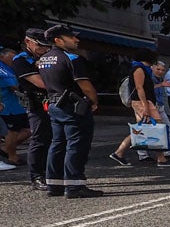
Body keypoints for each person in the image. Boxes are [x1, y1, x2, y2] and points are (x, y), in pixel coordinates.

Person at [36, 25, 103, 198]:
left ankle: (54, 184)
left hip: (54, 104)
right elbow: (85, 85)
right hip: (73, 106)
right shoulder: (72, 58)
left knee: (57, 144)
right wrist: (94, 101)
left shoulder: (44, 59)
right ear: (58, 40)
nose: (76, 40)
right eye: (71, 37)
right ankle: (75, 186)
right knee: (76, 145)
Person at [110, 50, 170, 168]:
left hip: (143, 102)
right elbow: (139, 87)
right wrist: (146, 106)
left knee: (144, 128)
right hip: (143, 102)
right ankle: (161, 158)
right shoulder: (139, 69)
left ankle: (119, 153)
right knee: (157, 127)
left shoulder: (141, 68)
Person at [14, 29, 52, 190]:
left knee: (56, 139)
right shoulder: (21, 60)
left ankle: (53, 174)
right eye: (41, 46)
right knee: (40, 139)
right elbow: (42, 83)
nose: (45, 50)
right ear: (28, 42)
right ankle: (37, 175)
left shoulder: (46, 57)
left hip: (54, 102)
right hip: (37, 103)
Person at [0, 47, 28, 171]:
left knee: (29, 129)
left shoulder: (11, 68)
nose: (13, 60)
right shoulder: (2, 69)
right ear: (2, 57)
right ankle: (12, 156)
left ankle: (6, 149)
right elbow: (14, 87)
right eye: (11, 58)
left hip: (18, 106)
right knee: (12, 131)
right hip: (8, 107)